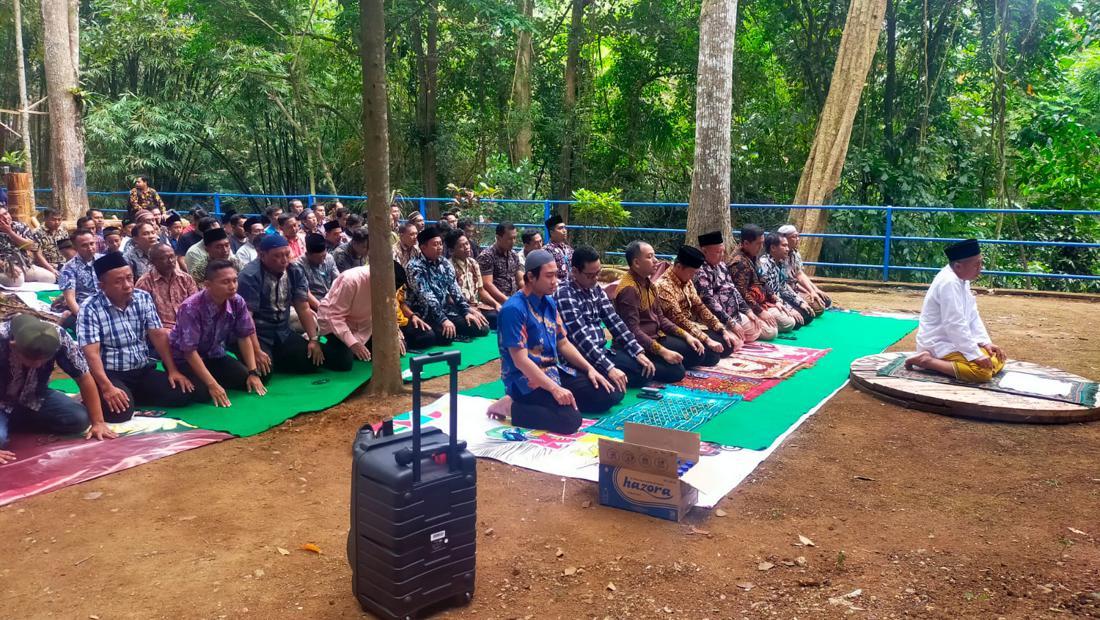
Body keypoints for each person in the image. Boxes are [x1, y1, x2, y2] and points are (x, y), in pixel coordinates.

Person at [490, 249, 623, 435]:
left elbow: (563, 343)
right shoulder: (513, 309)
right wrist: (555, 389)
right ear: (531, 276)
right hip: (525, 381)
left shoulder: (549, 302)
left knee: (610, 391)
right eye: (549, 276)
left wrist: (590, 369)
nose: (555, 281)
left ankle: (558, 401)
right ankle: (511, 406)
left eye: (556, 275)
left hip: (554, 371)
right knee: (570, 420)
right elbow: (520, 361)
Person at [77, 252, 197, 420]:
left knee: (182, 393)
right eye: (118, 281)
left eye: (129, 278)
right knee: (119, 414)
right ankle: (105, 392)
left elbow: (158, 335)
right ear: (102, 286)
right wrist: (106, 387)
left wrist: (172, 370)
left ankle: (131, 396)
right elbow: (91, 353)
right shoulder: (90, 308)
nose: (127, 285)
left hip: (141, 370)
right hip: (110, 373)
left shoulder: (143, 298)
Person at [0, 314, 115, 465]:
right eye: (31, 359)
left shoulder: (59, 337)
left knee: (79, 419)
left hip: (34, 397)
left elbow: (84, 377)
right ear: (14, 346)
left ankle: (10, 423)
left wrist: (98, 422)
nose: (38, 364)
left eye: (43, 359)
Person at [556, 246, 661, 388]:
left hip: (602, 351)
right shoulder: (564, 293)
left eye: (598, 273)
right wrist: (608, 367)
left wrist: (637, 351)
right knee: (611, 394)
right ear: (575, 272)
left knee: (644, 371)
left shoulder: (596, 289)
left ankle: (610, 378)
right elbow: (580, 338)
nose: (596, 279)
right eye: (590, 275)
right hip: (581, 358)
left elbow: (615, 322)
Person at [906, 239, 1007, 383]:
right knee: (982, 373)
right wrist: (975, 355)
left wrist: (985, 343)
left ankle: (950, 364)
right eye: (977, 264)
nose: (981, 268)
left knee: (998, 357)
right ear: (959, 266)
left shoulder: (962, 280)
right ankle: (927, 360)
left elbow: (973, 316)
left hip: (955, 341)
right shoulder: (949, 282)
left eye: (981, 263)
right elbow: (954, 323)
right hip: (939, 343)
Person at [170, 260, 267, 407]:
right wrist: (212, 384)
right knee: (202, 393)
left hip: (214, 354)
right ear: (207, 285)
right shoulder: (190, 307)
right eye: (226, 282)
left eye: (235, 280)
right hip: (184, 359)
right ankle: (206, 379)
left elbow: (244, 336)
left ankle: (212, 377)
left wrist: (253, 372)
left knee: (250, 378)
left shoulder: (237, 301)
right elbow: (189, 352)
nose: (233, 286)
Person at [236, 234, 334, 374]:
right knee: (262, 373)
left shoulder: (294, 270)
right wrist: (256, 350)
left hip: (283, 331)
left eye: (287, 254)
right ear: (262, 255)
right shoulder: (250, 276)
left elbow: (303, 306)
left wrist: (313, 339)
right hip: (258, 334)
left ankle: (277, 356)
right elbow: (247, 319)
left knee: (312, 362)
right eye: (277, 256)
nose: (284, 260)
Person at [611, 241, 703, 376]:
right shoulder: (629, 289)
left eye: (654, 256)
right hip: (637, 344)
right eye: (650, 257)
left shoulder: (649, 283)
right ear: (636, 263)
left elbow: (661, 318)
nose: (656, 261)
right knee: (676, 372)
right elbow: (633, 331)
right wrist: (663, 351)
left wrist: (687, 335)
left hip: (656, 336)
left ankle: (662, 360)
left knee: (698, 353)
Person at [406, 226, 490, 344]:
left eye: (440, 244)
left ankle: (454, 330)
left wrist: (466, 311)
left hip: (446, 309)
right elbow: (426, 297)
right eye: (435, 244)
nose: (439, 247)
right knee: (443, 336)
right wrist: (443, 320)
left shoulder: (444, 263)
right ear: (423, 247)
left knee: (481, 328)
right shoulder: (414, 266)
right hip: (424, 313)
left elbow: (455, 290)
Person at [656, 245, 739, 363]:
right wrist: (706, 340)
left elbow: (700, 307)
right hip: (676, 330)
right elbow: (678, 320)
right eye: (692, 272)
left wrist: (722, 329)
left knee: (727, 344)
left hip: (692, 326)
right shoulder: (663, 286)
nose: (693, 276)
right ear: (679, 267)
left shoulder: (686, 280)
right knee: (710, 356)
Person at [694, 230, 769, 342]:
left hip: (735, 313)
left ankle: (740, 334)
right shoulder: (700, 271)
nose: (721, 255)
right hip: (718, 318)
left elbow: (734, 289)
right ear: (704, 251)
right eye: (718, 252)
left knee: (767, 330)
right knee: (736, 342)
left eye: (723, 252)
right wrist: (730, 322)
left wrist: (748, 311)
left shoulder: (722, 266)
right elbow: (708, 301)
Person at [729, 224, 795, 334]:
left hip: (760, 301)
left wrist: (775, 300)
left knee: (790, 322)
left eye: (762, 243)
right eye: (758, 244)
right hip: (746, 307)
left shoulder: (753, 256)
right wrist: (759, 312)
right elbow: (741, 293)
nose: (761, 248)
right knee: (771, 332)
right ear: (746, 244)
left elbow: (762, 281)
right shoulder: (739, 263)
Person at [135, 243, 198, 329]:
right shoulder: (145, 283)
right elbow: (143, 316)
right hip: (161, 332)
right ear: (152, 261)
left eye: (172, 256)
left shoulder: (186, 278)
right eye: (164, 258)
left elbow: (196, 304)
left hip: (188, 327)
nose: (170, 261)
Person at [759, 233, 815, 326]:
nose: (787, 249)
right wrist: (789, 309)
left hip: (780, 299)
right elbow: (770, 294)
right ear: (773, 248)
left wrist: (800, 302)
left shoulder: (780, 263)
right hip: (770, 302)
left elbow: (784, 288)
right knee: (796, 321)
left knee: (807, 314)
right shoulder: (764, 264)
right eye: (784, 246)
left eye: (787, 246)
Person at [446, 229, 498, 328]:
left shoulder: (473, 263)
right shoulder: (448, 267)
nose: (467, 248)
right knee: (481, 328)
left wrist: (496, 304)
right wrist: (469, 310)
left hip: (476, 305)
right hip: (459, 309)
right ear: (452, 250)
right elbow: (450, 299)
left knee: (499, 316)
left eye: (467, 244)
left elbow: (481, 291)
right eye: (461, 246)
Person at [777, 224, 832, 314]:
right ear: (784, 238)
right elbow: (785, 283)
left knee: (824, 301)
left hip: (795, 286)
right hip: (785, 289)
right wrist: (808, 292)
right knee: (817, 307)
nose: (798, 239)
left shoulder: (794, 253)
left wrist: (814, 290)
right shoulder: (778, 256)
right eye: (794, 237)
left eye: (798, 236)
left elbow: (799, 274)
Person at [0, 206, 57, 286]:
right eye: (0, 217)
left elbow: (32, 246)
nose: (5, 218)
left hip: (25, 266)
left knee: (50, 278)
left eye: (6, 214)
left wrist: (10, 232)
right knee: (18, 280)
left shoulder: (20, 226)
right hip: (4, 269)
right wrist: (5, 266)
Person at [58, 230, 101, 322]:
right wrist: (83, 319)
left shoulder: (103, 260)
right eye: (84, 245)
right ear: (75, 247)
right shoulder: (68, 269)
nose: (90, 248)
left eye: (92, 243)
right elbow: (70, 299)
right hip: (85, 308)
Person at [477, 222, 523, 306]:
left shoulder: (513, 255)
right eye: (509, 239)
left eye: (514, 238)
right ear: (498, 238)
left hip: (513, 299)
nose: (513, 242)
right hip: (494, 303)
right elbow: (487, 284)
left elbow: (520, 280)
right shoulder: (487, 256)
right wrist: (508, 301)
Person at [297, 233, 339, 310]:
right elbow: (306, 293)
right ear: (308, 254)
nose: (323, 260)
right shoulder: (298, 266)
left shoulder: (329, 258)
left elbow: (337, 280)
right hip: (314, 304)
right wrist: (323, 309)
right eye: (319, 258)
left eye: (324, 256)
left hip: (332, 299)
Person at [543, 215, 572, 280]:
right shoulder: (547, 250)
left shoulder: (568, 248)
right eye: (560, 228)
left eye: (565, 227)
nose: (564, 231)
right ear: (552, 232)